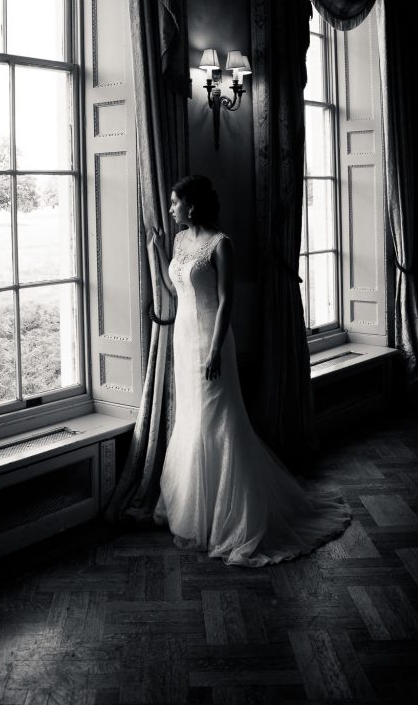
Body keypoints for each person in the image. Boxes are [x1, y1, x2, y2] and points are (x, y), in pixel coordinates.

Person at [150, 174, 351, 567]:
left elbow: (226, 301)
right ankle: (198, 513)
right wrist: (156, 253)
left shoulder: (221, 244)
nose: (171, 208)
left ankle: (234, 517)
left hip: (211, 339)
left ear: (191, 206)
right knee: (191, 419)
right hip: (184, 339)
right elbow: (176, 290)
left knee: (219, 421)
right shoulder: (178, 241)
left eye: (175, 202)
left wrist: (213, 350)